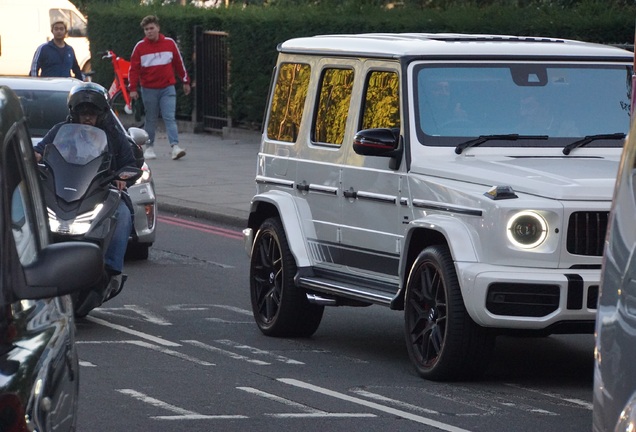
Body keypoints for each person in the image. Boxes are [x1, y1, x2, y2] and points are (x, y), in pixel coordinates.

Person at [35, 83, 136, 283]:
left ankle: (110, 268)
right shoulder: (60, 131)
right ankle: (30, 257)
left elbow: (130, 163)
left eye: (93, 112)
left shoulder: (114, 135)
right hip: (62, 189)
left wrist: (122, 178)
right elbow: (39, 151)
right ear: (75, 113)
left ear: (102, 114)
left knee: (123, 212)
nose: (88, 117)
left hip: (101, 190)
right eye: (83, 112)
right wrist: (29, 158)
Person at [128, 15, 191, 160]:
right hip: (149, 88)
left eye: (151, 28)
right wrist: (132, 88)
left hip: (167, 87)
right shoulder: (140, 47)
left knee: (169, 117)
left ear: (158, 28)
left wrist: (185, 80)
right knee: (151, 118)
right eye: (146, 29)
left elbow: (178, 63)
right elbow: (134, 69)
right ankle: (149, 147)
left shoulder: (169, 43)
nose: (149, 31)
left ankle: (175, 146)